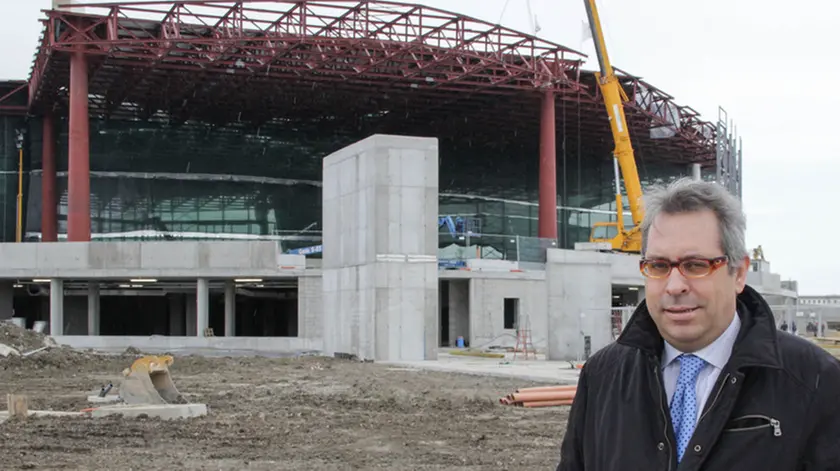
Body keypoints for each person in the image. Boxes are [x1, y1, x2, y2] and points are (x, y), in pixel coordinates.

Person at [556, 178, 840, 470]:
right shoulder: (602, 376)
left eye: (696, 265)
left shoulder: (815, 381)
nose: (675, 286)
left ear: (739, 273)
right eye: (659, 266)